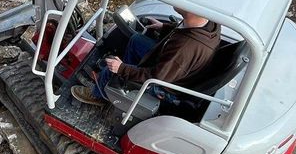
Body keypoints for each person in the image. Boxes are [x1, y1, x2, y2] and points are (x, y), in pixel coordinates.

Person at [71, 9, 221, 107]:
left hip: (164, 85)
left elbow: (157, 77)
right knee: (136, 40)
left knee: (110, 71)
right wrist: (165, 27)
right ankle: (120, 80)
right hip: (172, 67)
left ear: (190, 10)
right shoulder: (207, 22)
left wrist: (122, 69)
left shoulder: (185, 48)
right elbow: (185, 32)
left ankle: (100, 96)